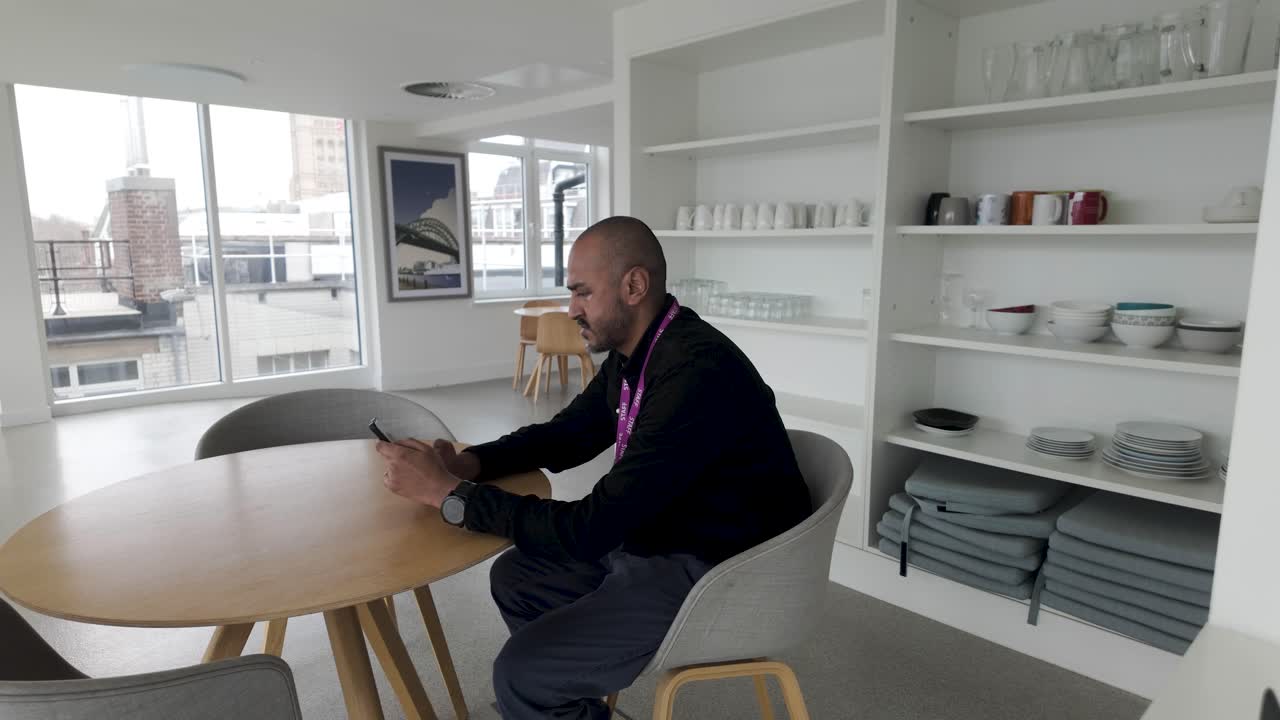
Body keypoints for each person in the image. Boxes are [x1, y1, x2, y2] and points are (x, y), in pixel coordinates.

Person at [377, 215, 811, 719]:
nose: (571, 310)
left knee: (520, 672)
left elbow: (592, 527)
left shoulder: (695, 372)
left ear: (633, 285)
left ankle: (544, 694)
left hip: (715, 573)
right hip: (668, 538)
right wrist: (473, 462)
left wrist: (452, 497)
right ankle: (564, 699)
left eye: (582, 293)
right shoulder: (640, 354)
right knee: (517, 576)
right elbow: (569, 433)